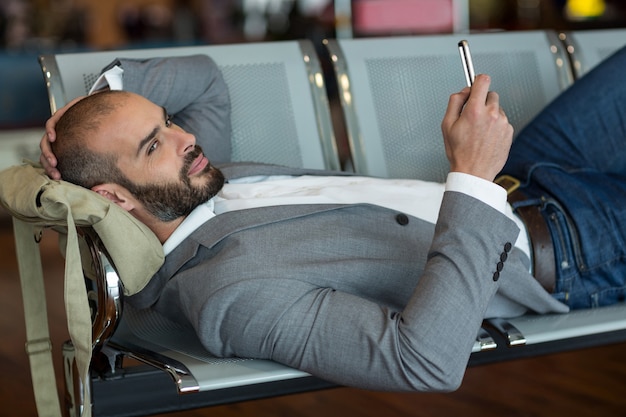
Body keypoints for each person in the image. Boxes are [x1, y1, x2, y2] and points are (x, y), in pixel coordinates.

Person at [39, 48, 626, 393]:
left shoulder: (191, 184)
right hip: (566, 245)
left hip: (526, 172)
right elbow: (422, 362)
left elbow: (205, 80)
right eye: (153, 143)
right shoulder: (229, 294)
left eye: (167, 121)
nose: (187, 137)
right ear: (116, 198)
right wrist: (471, 176)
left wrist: (92, 105)